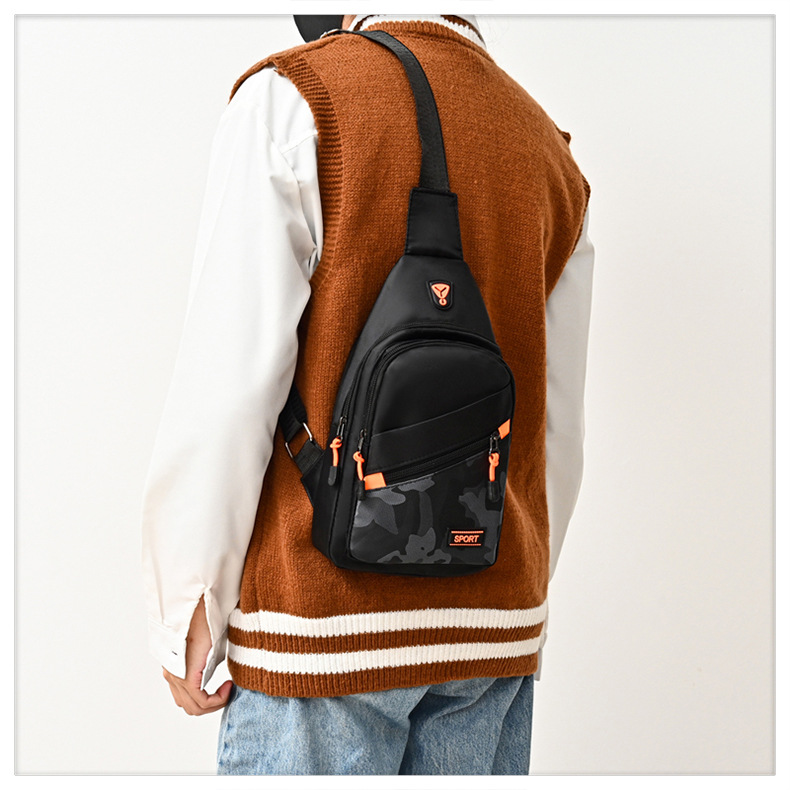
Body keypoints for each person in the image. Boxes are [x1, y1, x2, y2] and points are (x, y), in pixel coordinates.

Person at [141, 13, 594, 775]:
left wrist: (188, 597)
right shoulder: (546, 146)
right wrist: (512, 588)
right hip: (493, 631)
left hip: (322, 628)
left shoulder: (295, 96)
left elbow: (231, 374)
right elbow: (557, 422)